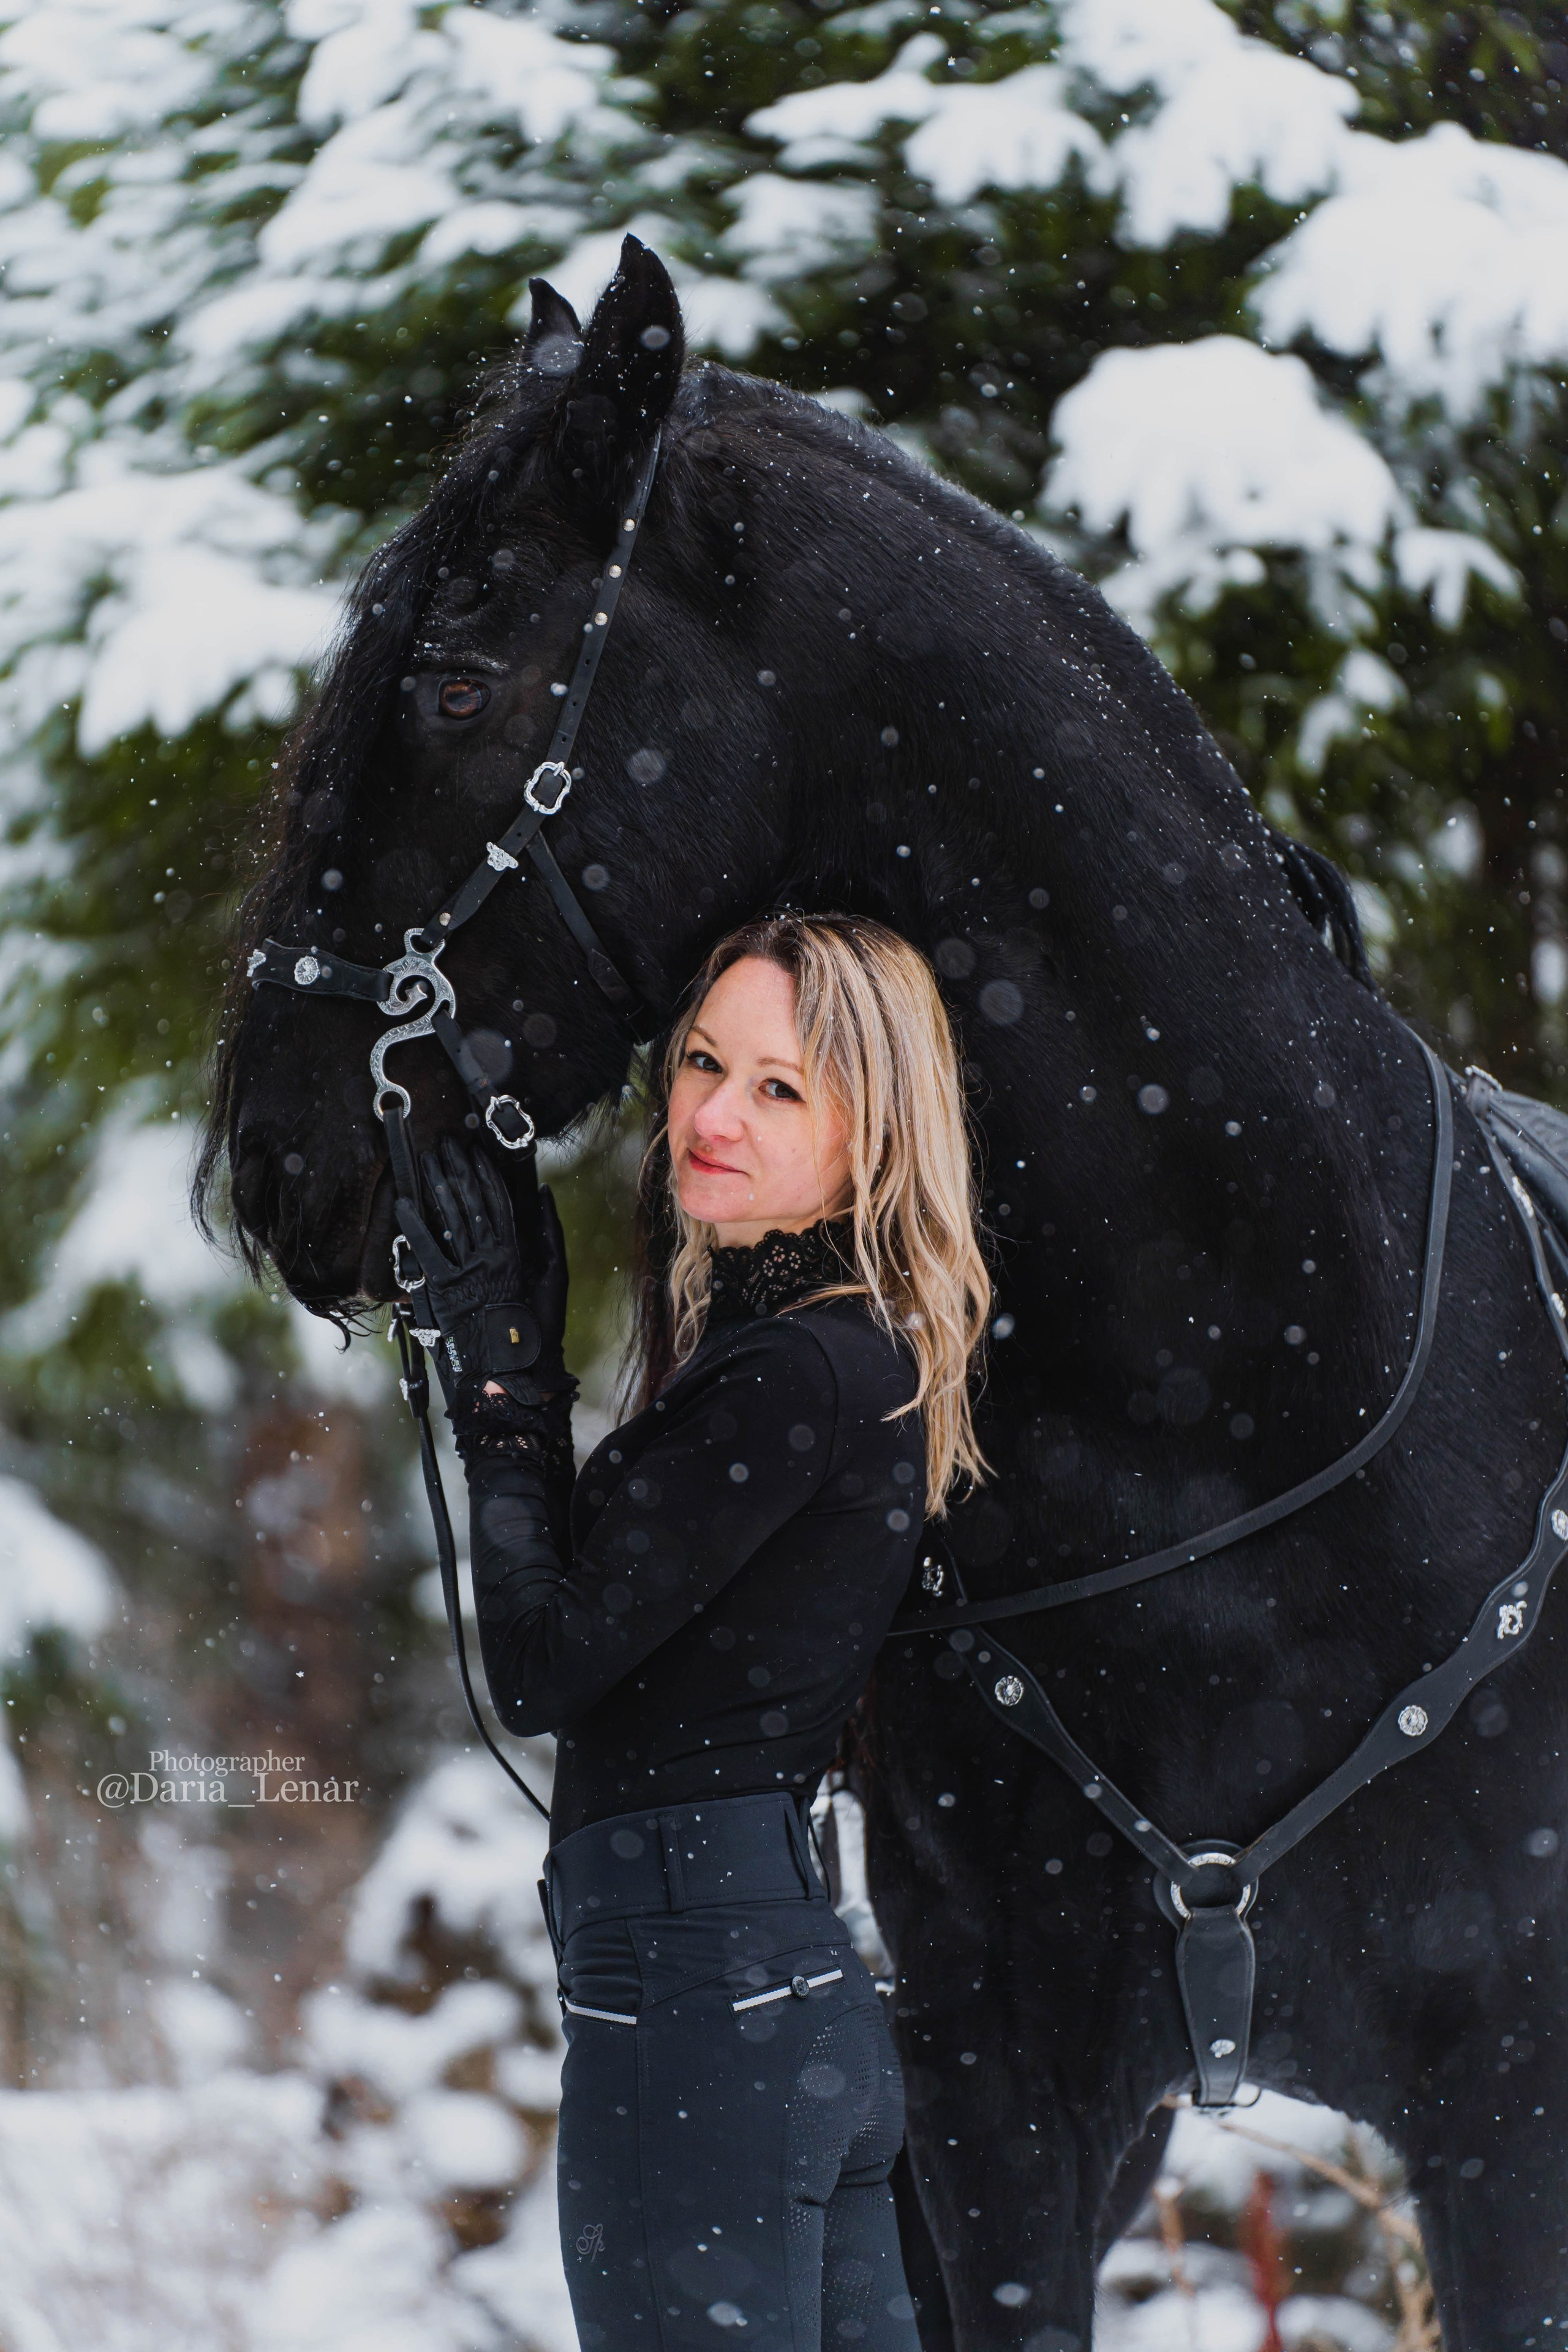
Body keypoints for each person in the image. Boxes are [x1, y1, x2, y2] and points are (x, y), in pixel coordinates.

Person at [395, 911, 990, 2352]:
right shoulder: (843, 1354)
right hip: (773, 1998)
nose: (711, 1113)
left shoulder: (796, 1370)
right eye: (702, 1063)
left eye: (778, 1086)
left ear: (876, 1123)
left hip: (695, 2005)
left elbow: (545, 1665)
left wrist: (509, 1398)